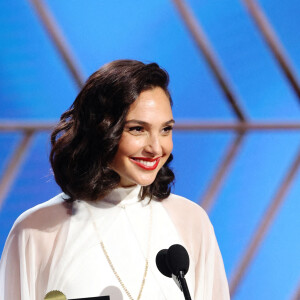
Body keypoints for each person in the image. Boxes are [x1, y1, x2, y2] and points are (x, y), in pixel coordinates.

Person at [0, 60, 230, 300]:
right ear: (100, 129)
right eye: (137, 129)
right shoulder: (36, 230)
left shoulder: (192, 221)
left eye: (165, 129)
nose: (156, 148)